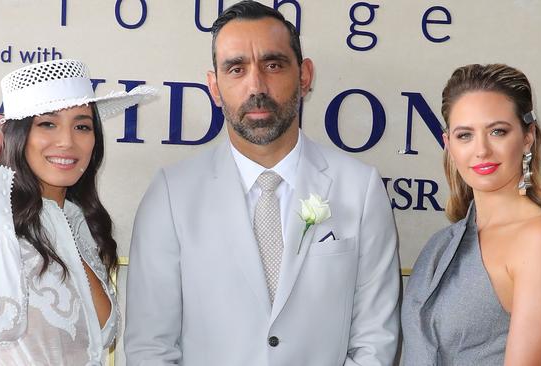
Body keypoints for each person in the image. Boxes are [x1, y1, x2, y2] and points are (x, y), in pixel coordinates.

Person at [124, 1, 400, 365]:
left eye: (272, 65)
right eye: (236, 69)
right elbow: (150, 347)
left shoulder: (360, 189)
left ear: (304, 75)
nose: (256, 85)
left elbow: (374, 341)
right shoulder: (172, 195)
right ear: (215, 86)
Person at [0, 59, 154, 365]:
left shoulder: (80, 221)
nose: (68, 141)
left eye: (82, 126)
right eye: (47, 124)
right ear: (18, 134)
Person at [401, 64, 541, 365]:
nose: (481, 150)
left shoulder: (540, 238)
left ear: (528, 136)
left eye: (497, 131)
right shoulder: (442, 243)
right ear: (449, 145)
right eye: (465, 135)